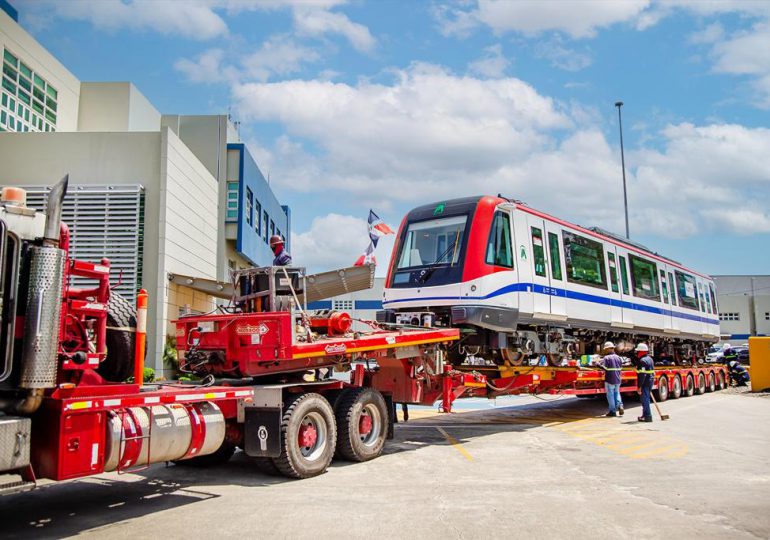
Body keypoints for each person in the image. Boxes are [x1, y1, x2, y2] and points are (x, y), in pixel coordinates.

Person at [599, 341, 624, 417]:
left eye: (606, 349)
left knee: (610, 395)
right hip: (618, 379)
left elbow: (605, 368)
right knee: (617, 393)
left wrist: (597, 364)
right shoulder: (618, 358)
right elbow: (620, 368)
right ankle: (620, 405)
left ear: (609, 349)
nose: (605, 350)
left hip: (610, 379)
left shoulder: (607, 358)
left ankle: (612, 411)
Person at [634, 343, 655, 423]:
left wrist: (639, 386)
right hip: (650, 381)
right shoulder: (650, 359)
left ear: (641, 352)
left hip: (645, 382)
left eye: (638, 351)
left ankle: (647, 416)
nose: (637, 353)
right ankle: (644, 415)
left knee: (645, 399)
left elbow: (642, 375)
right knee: (646, 399)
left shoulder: (642, 361)